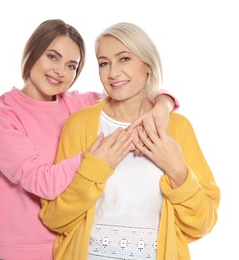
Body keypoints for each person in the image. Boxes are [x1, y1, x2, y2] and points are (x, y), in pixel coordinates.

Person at [0, 19, 179, 260]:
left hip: (72, 248)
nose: (60, 71)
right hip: (19, 252)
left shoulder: (76, 104)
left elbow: (129, 91)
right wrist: (92, 160)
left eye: (72, 66)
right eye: (52, 57)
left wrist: (163, 105)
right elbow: (43, 181)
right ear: (31, 52)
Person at [40, 22, 221, 260]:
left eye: (124, 59)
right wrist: (94, 171)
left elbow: (203, 224)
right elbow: (54, 218)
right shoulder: (80, 124)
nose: (112, 72)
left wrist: (178, 173)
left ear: (148, 64)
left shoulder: (178, 128)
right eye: (104, 63)